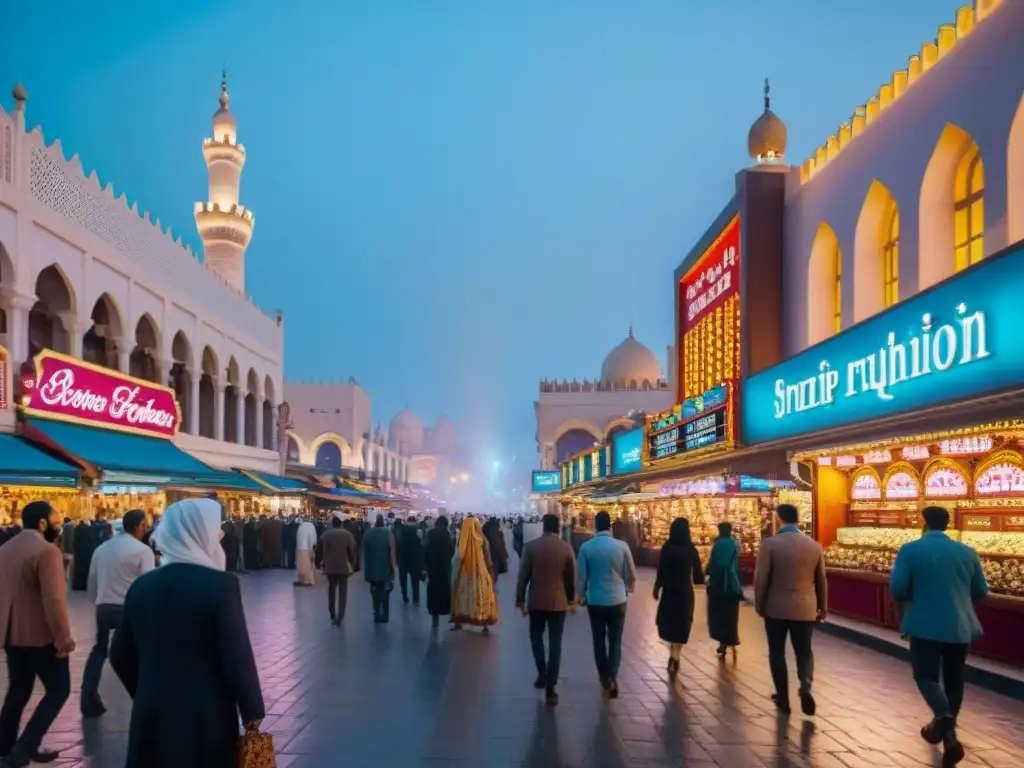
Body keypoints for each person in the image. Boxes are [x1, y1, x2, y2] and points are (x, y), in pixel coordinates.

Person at [109, 498, 264, 768]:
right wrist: (252, 709)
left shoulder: (142, 586)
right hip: (205, 717)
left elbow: (120, 654)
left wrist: (148, 690)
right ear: (200, 534)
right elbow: (236, 655)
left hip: (151, 713)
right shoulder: (221, 586)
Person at [890, 506, 988, 767]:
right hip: (960, 626)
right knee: (955, 681)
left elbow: (898, 588)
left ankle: (943, 718)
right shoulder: (967, 552)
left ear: (923, 523)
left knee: (926, 675)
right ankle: (950, 738)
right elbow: (981, 591)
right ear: (948, 524)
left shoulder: (910, 550)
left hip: (924, 624)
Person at [0, 501, 74, 768]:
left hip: (11, 634)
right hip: (41, 636)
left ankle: (5, 746)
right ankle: (24, 748)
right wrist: (63, 637)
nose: (56, 526)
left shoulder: (5, 548)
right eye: (54, 521)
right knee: (59, 690)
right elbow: (53, 599)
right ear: (43, 523)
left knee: (18, 691)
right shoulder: (46, 551)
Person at [754, 503, 828, 716]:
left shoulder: (770, 544)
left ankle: (783, 697)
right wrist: (823, 606)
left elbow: (761, 579)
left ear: (779, 518)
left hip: (776, 608)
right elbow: (821, 580)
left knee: (777, 652)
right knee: (804, 651)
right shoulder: (814, 546)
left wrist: (760, 604)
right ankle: (805, 686)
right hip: (805, 608)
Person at [80, 509, 155, 718]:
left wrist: (96, 600)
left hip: (103, 606)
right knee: (140, 651)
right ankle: (144, 699)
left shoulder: (102, 548)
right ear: (139, 525)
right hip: (128, 608)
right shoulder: (142, 551)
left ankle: (88, 698)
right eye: (145, 525)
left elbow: (92, 578)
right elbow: (148, 583)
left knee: (99, 650)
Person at [515, 513, 576, 706]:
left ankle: (542, 672)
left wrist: (520, 600)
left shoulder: (531, 547)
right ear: (558, 528)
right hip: (558, 603)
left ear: (543, 527)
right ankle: (551, 687)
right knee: (555, 643)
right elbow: (570, 576)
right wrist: (572, 599)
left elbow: (523, 575)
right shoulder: (565, 548)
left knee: (536, 638)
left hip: (536, 601)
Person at [577, 510, 636, 698]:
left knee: (598, 639)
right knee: (616, 640)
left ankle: (603, 676)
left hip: (595, 600)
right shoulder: (622, 546)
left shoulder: (586, 548)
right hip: (618, 600)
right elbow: (631, 573)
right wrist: (628, 587)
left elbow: (582, 578)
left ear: (595, 525)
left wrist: (581, 596)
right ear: (610, 526)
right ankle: (612, 677)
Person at [654, 518, 705, 676]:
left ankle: (672, 652)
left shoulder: (667, 548)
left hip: (669, 590)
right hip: (684, 591)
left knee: (669, 622)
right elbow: (698, 576)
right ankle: (676, 653)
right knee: (682, 622)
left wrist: (657, 587)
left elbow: (661, 570)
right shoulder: (691, 549)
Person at [451, 516, 499, 631]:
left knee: (462, 597)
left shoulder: (462, 540)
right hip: (480, 572)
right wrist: (490, 569)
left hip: (465, 573)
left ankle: (459, 621)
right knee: (481, 596)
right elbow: (488, 557)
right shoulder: (482, 539)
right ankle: (484, 622)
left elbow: (458, 557)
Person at [706, 521, 743, 659]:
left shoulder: (718, 544)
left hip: (718, 584)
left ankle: (723, 641)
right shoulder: (735, 544)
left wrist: (706, 573)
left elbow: (713, 564)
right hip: (733, 584)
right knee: (731, 615)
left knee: (719, 614)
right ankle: (731, 639)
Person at [320, 516, 358, 626]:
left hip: (330, 567)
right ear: (341, 524)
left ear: (332, 524)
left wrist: (321, 564)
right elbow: (352, 551)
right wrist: (352, 564)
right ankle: (340, 616)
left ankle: (332, 613)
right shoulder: (347, 535)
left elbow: (321, 550)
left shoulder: (326, 535)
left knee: (331, 589)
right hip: (343, 567)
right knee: (343, 591)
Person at [362, 514, 397, 624]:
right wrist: (393, 567)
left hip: (372, 570)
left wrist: (364, 568)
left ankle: (376, 613)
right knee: (385, 593)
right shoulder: (388, 533)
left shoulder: (369, 534)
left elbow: (363, 550)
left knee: (374, 592)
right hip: (385, 570)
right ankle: (385, 615)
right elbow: (391, 553)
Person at [424, 516, 455, 628]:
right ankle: (447, 612)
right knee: (445, 590)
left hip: (432, 567)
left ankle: (434, 617)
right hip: (444, 567)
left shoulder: (430, 533)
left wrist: (425, 565)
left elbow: (425, 549)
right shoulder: (448, 535)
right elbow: (451, 551)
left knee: (433, 591)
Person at [398, 513, 426, 606]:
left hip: (403, 559)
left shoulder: (402, 530)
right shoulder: (419, 530)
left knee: (403, 580)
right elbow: (422, 546)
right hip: (415, 560)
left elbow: (398, 543)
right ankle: (416, 599)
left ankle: (405, 597)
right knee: (415, 581)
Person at [294, 517, 318, 587]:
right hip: (310, 548)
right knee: (310, 565)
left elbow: (298, 539)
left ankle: (304, 580)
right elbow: (314, 539)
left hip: (301, 549)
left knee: (302, 566)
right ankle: (310, 579)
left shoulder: (301, 527)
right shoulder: (312, 526)